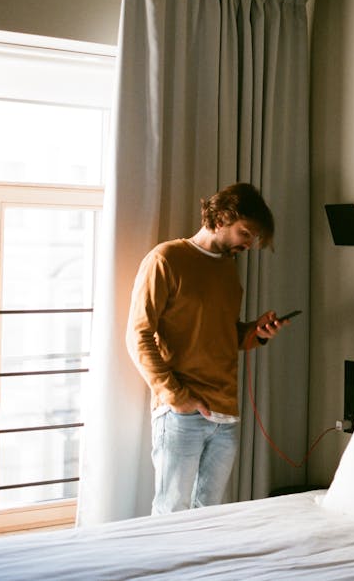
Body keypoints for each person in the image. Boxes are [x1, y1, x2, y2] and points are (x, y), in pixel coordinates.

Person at [126, 182, 288, 515]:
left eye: (253, 238)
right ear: (222, 217)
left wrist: (257, 332)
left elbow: (224, 335)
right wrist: (176, 396)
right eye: (246, 232)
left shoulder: (228, 269)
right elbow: (138, 335)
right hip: (182, 411)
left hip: (225, 414)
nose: (249, 243)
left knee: (210, 516)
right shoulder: (166, 258)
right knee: (172, 511)